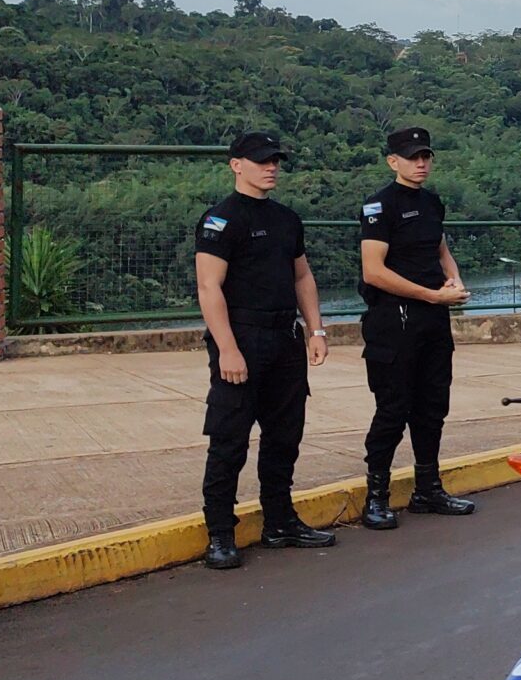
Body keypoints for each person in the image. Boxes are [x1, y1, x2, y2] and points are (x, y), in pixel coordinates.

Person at [195, 131, 333, 572]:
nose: (270, 167)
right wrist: (228, 349)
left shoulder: (286, 219)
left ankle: (280, 521)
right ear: (236, 165)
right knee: (229, 440)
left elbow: (302, 278)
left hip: (284, 339)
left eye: (275, 160)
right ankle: (219, 533)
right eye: (260, 161)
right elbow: (208, 287)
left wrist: (316, 330)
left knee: (284, 435)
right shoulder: (221, 219)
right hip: (242, 337)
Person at [354, 126, 475, 532]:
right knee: (393, 409)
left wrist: (453, 281)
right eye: (411, 157)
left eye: (425, 156)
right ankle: (376, 497)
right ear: (393, 161)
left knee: (432, 407)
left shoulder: (431, 203)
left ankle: (428, 489)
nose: (420, 163)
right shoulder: (379, 206)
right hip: (395, 320)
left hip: (433, 319)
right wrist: (430, 295)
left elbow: (441, 250)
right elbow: (373, 271)